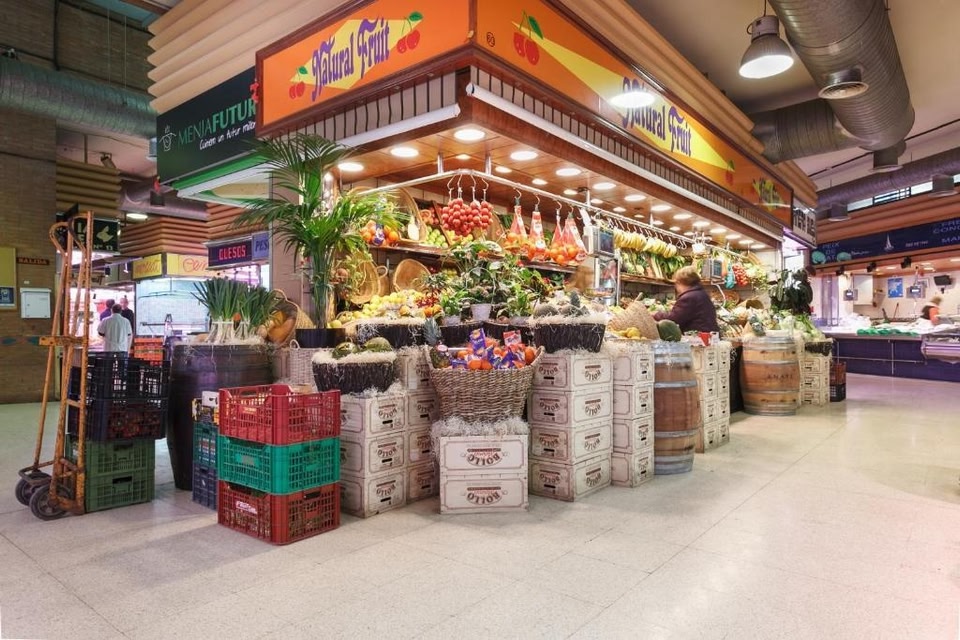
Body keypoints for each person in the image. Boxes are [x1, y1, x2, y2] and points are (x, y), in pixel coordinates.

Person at [653, 265, 720, 333]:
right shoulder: (701, 293)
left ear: (679, 282)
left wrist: (656, 314)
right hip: (709, 334)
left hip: (698, 336)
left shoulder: (688, 297)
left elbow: (673, 319)